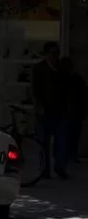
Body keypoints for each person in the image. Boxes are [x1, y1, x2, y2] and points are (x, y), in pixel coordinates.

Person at [31, 41, 70, 179]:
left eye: (57, 53)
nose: (55, 57)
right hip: (44, 112)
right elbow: (34, 90)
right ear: (47, 54)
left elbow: (68, 90)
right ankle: (45, 169)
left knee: (62, 141)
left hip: (60, 112)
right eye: (53, 53)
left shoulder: (63, 69)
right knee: (43, 143)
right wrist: (38, 106)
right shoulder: (38, 69)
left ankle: (60, 167)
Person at [61, 57, 86, 163]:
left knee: (69, 136)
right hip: (73, 112)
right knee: (72, 136)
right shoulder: (76, 79)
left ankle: (68, 156)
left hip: (71, 112)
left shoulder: (64, 79)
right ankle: (71, 155)